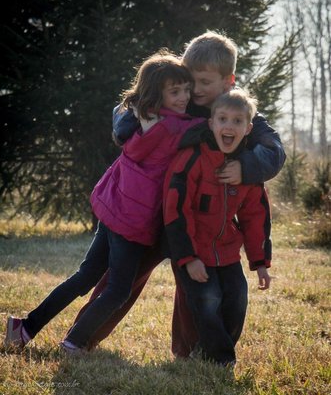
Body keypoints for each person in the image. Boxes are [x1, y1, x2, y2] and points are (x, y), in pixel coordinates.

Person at [68, 30, 285, 356]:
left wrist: (246, 168)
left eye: (204, 83)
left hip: (194, 222)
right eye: (190, 80)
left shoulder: (232, 110)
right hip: (151, 211)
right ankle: (83, 336)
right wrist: (124, 124)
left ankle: (188, 351)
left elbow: (274, 149)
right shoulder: (176, 97)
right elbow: (127, 106)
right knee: (123, 278)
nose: (194, 91)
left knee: (194, 288)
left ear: (229, 81)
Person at [4, 50, 203, 352]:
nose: (185, 97)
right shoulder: (174, 127)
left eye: (187, 90)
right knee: (118, 290)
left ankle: (25, 326)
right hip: (132, 220)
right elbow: (206, 128)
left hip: (112, 209)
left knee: (85, 277)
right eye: (175, 91)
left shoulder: (142, 119)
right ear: (156, 95)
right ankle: (74, 342)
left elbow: (123, 114)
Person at [163, 88, 271, 367]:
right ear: (211, 123)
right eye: (222, 118)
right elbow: (176, 209)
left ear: (247, 128)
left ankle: (211, 350)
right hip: (194, 251)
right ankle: (221, 359)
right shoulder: (194, 158)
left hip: (227, 253)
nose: (228, 126)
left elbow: (255, 216)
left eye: (237, 121)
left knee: (237, 299)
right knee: (208, 299)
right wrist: (188, 258)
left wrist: (260, 262)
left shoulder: (246, 169)